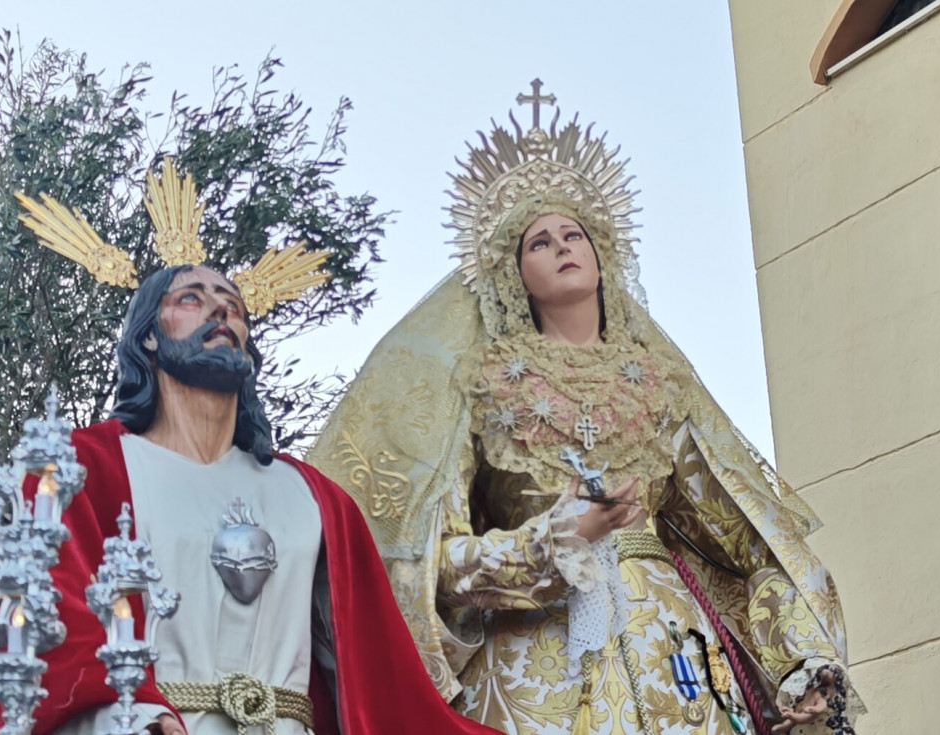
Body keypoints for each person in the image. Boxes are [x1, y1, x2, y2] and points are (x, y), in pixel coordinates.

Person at [308, 90, 862, 734]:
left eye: (574, 235)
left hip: (675, 660)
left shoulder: (656, 387)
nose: (562, 247)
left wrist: (803, 655)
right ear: (512, 274)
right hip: (535, 667)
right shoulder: (485, 391)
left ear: (603, 255)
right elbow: (437, 564)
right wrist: (552, 543)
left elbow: (744, 539)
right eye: (539, 242)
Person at [0, 161, 502, 735]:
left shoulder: (313, 498)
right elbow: (44, 612)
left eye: (233, 305)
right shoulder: (80, 467)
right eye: (191, 298)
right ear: (149, 336)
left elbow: (383, 680)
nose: (220, 309)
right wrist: (139, 712)